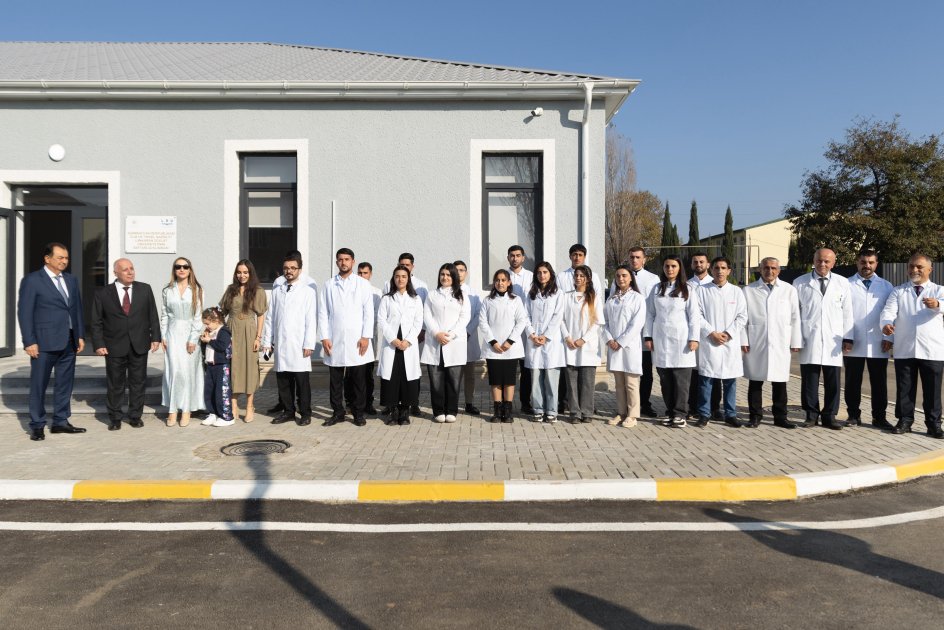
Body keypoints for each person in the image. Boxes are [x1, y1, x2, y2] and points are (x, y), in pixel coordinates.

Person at [17, 242, 86, 441]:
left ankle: (60, 422)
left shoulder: (71, 280)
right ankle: (37, 425)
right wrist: (29, 341)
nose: (64, 261)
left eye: (66, 258)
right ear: (47, 259)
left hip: (68, 341)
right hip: (43, 342)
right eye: (60, 257)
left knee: (65, 384)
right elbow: (25, 312)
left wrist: (80, 334)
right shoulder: (32, 280)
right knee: (39, 385)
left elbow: (76, 309)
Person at [90, 258, 161, 430]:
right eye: (125, 269)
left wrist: (156, 337)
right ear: (115, 273)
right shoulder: (103, 293)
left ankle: (135, 416)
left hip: (139, 343)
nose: (130, 272)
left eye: (132, 268)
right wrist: (98, 343)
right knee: (115, 383)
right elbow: (96, 320)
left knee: (138, 382)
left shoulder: (145, 289)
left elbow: (152, 314)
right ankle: (115, 418)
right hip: (114, 345)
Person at [881, 253, 944, 439]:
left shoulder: (939, 290)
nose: (914, 270)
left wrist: (938, 304)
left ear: (930, 269)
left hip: (932, 350)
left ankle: (934, 425)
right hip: (905, 347)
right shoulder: (898, 291)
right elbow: (888, 311)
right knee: (905, 388)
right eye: (911, 266)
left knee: (932, 390)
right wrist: (886, 324)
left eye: (919, 267)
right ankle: (904, 421)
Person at [793, 248, 853, 430]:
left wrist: (848, 337)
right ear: (814, 261)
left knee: (833, 381)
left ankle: (829, 416)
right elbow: (794, 314)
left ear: (833, 263)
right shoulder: (800, 282)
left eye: (827, 261)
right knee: (809, 380)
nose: (823, 264)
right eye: (819, 260)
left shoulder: (843, 283)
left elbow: (847, 312)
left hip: (833, 339)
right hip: (809, 338)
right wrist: (795, 338)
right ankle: (811, 415)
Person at [740, 257, 802, 429]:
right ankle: (755, 416)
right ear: (760, 269)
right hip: (756, 340)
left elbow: (795, 317)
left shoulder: (788, 290)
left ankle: (780, 417)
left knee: (780, 382)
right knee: (755, 381)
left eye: (773, 268)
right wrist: (743, 339)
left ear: (779, 270)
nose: (770, 271)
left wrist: (795, 341)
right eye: (766, 267)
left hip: (780, 341)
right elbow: (743, 318)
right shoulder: (748, 290)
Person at [319, 248, 376, 427]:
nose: (343, 262)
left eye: (347, 259)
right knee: (335, 380)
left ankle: (358, 413)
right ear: (337, 262)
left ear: (353, 261)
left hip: (357, 339)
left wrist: (366, 336)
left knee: (358, 380)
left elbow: (369, 312)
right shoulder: (329, 285)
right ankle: (338, 412)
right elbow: (323, 312)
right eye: (340, 259)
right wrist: (324, 337)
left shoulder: (362, 284)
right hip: (334, 339)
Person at [261, 252, 317, 426]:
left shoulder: (307, 291)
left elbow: (311, 320)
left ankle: (305, 413)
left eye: (293, 268)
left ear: (299, 269)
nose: (289, 271)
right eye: (286, 268)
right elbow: (270, 318)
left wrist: (309, 343)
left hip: (299, 344)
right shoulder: (277, 291)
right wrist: (267, 342)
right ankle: (288, 411)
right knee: (283, 381)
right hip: (281, 343)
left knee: (301, 382)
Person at [645, 255, 700, 428]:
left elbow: (694, 316)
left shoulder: (688, 289)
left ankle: (680, 414)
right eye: (667, 266)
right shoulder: (657, 289)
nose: (670, 269)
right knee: (665, 380)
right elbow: (650, 314)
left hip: (681, 341)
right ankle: (670, 412)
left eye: (673, 266)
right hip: (661, 340)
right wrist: (648, 336)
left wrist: (694, 338)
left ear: (679, 268)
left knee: (681, 382)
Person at [694, 257, 747, 428]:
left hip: (729, 342)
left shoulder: (736, 291)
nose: (720, 271)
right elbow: (697, 315)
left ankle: (730, 414)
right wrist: (711, 333)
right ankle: (704, 414)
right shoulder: (701, 291)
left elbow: (742, 316)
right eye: (716, 268)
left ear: (729, 271)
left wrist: (728, 333)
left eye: (723, 268)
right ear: (711, 270)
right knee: (706, 380)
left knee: (730, 381)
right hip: (710, 341)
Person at [844, 249, 894, 429]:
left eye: (871, 262)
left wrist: (889, 337)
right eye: (863, 262)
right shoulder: (846, 284)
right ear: (857, 263)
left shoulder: (886, 286)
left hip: (878, 341)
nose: (867, 266)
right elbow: (842, 313)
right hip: (853, 340)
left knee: (879, 382)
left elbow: (891, 314)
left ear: (876, 264)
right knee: (852, 381)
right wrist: (846, 337)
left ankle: (879, 417)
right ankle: (853, 415)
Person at [556, 243, 605, 413]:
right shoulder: (566, 296)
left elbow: (598, 321)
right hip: (570, 343)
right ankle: (574, 411)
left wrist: (583, 339)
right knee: (571, 381)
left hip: (587, 344)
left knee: (587, 381)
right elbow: (560, 319)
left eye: (582, 276)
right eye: (576, 275)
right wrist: (567, 337)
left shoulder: (594, 298)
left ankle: (587, 410)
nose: (578, 278)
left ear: (588, 279)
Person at [421, 263, 471, 423]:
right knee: (436, 380)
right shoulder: (432, 295)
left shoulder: (462, 295)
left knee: (453, 380)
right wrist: (436, 333)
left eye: (448, 275)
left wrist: (451, 335)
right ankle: (438, 411)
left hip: (454, 342)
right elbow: (427, 315)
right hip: (435, 341)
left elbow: (465, 317)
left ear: (454, 277)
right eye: (442, 274)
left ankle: (451, 410)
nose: (445, 277)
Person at [219, 259, 267, 423]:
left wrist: (258, 337)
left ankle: (249, 406)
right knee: (233, 368)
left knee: (249, 368)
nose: (242, 275)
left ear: (250, 273)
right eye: (239, 272)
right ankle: (233, 405)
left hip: (249, 331)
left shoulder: (258, 291)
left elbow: (261, 315)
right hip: (232, 330)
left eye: (245, 272)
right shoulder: (230, 290)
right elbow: (222, 312)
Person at [376, 265, 425, 426]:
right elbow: (381, 320)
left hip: (408, 344)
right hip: (392, 343)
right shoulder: (387, 298)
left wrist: (408, 341)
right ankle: (392, 411)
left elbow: (418, 322)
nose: (400, 279)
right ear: (393, 278)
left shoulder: (416, 299)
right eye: (397, 276)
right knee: (392, 378)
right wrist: (393, 340)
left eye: (404, 276)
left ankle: (404, 412)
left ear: (408, 279)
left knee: (407, 377)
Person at [159, 257, 204, 428]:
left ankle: (186, 409)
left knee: (187, 372)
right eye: (178, 267)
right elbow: (164, 314)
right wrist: (163, 335)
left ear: (190, 269)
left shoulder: (197, 290)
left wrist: (193, 339)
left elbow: (198, 317)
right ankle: (172, 409)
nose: (182, 269)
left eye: (185, 266)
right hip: (172, 333)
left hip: (190, 333)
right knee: (174, 371)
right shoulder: (167, 290)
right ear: (174, 270)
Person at [480, 269, 529, 423]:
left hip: (510, 348)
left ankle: (507, 412)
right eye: (497, 280)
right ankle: (497, 411)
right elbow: (483, 322)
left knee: (509, 380)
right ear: (494, 283)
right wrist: (493, 342)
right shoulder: (487, 301)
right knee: (495, 380)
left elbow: (521, 321)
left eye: (503, 280)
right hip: (493, 348)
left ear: (509, 283)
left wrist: (510, 341)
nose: (500, 283)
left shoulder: (516, 300)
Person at [605, 264, 647, 428]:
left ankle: (632, 415)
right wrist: (609, 339)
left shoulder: (637, 298)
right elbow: (605, 322)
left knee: (631, 383)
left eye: (624, 275)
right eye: (618, 276)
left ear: (631, 278)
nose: (621, 278)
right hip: (614, 346)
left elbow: (637, 324)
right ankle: (621, 412)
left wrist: (621, 341)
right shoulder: (611, 299)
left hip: (629, 346)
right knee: (619, 384)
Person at [524, 262, 566, 423]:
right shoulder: (531, 294)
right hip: (534, 340)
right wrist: (532, 334)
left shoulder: (558, 293)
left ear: (550, 274)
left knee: (551, 379)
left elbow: (558, 316)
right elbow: (525, 316)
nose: (542, 275)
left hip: (551, 341)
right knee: (535, 379)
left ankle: (552, 410)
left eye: (545, 272)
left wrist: (546, 336)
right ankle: (538, 409)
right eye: (539, 272)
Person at [627, 246, 660, 417]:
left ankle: (645, 403)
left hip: (644, 333)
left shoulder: (653, 279)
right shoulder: (622, 275)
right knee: (628, 371)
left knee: (646, 371)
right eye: (632, 257)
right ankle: (629, 404)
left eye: (638, 257)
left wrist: (649, 334)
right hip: (626, 333)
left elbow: (654, 308)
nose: (634, 260)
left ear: (644, 259)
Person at [345, 261, 382, 415]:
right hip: (352, 338)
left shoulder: (376, 293)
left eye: (365, 273)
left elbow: (376, 317)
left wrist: (367, 335)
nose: (362, 276)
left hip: (369, 338)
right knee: (350, 373)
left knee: (367, 373)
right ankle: (350, 403)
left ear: (370, 274)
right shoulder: (351, 289)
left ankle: (368, 403)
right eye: (359, 273)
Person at [687, 251, 720, 420]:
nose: (698, 264)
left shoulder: (715, 284)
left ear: (708, 265)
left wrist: (712, 332)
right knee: (694, 374)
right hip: (694, 335)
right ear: (691, 264)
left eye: (702, 262)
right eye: (695, 262)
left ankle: (714, 407)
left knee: (714, 373)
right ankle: (693, 407)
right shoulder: (686, 284)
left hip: (712, 336)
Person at [507, 245, 535, 415]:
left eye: (518, 255)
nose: (515, 258)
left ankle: (526, 402)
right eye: (512, 255)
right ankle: (507, 403)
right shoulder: (503, 276)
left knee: (526, 368)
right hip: (509, 328)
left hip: (527, 328)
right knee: (509, 367)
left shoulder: (531, 276)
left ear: (523, 258)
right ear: (508, 258)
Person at [455, 260, 483, 415]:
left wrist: (467, 331)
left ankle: (469, 403)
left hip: (468, 338)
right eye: (456, 270)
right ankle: (452, 403)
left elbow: (478, 314)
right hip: (452, 339)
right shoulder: (447, 290)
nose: (459, 272)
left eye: (461, 270)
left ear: (466, 273)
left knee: (469, 375)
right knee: (454, 374)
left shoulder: (473, 293)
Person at [199, 307, 234, 427]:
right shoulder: (210, 332)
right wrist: (203, 340)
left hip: (222, 366)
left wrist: (209, 341)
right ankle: (213, 413)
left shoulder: (224, 331)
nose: (207, 326)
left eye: (208, 324)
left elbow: (222, 346)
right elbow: (206, 348)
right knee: (209, 391)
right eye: (205, 324)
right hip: (210, 366)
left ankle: (227, 416)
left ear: (216, 320)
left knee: (221, 392)